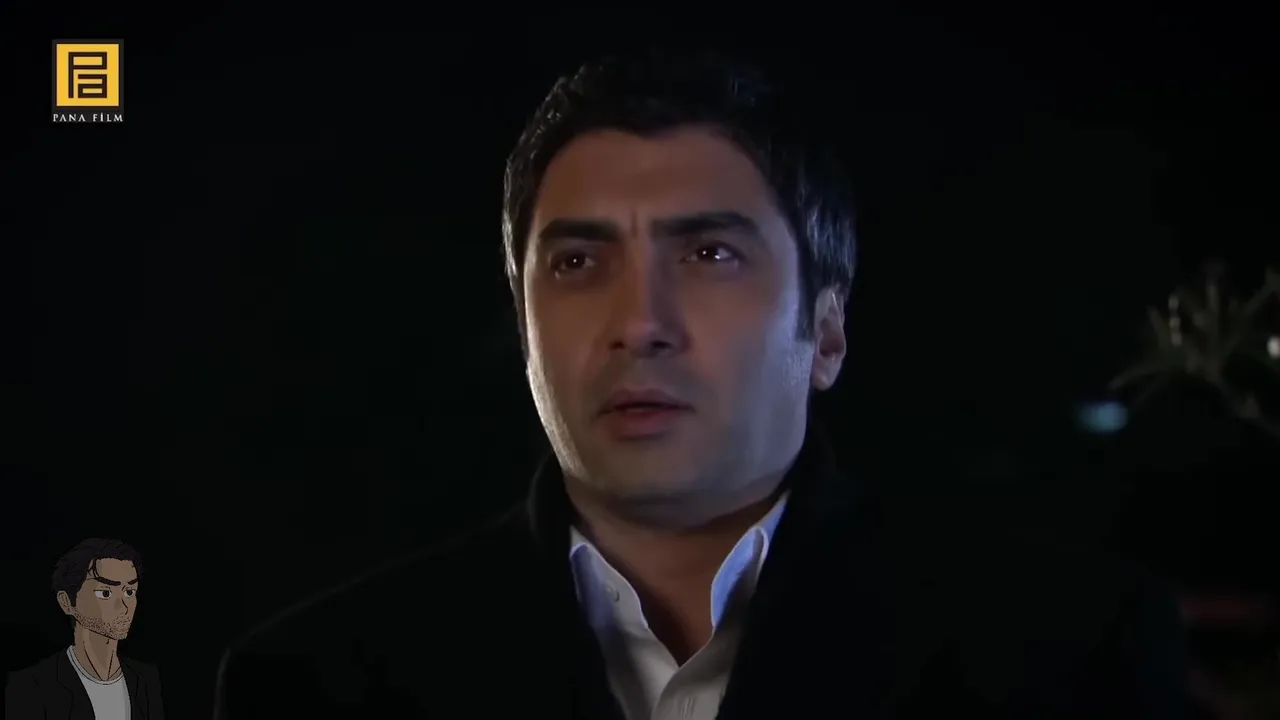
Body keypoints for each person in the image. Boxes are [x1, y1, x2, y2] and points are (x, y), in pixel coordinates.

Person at [214, 49, 1188, 719]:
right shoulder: (316, 685)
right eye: (577, 263)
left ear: (827, 332)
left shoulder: (1063, 653)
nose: (639, 322)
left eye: (710, 254)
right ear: (522, 327)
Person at [6, 538, 165, 720]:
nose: (123, 606)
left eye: (129, 592)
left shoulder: (145, 680)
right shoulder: (32, 685)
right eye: (105, 593)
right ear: (67, 602)